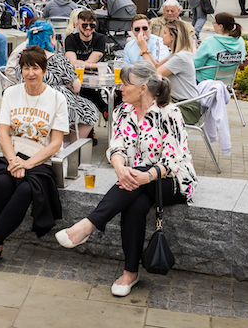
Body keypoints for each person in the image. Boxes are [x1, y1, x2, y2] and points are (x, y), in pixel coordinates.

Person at [55, 62, 195, 297]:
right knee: (135, 204)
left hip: (171, 181)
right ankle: (130, 273)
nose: (120, 87)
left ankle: (89, 225)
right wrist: (120, 168)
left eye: (125, 83)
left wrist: (145, 176)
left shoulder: (169, 113)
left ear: (142, 88)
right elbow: (116, 146)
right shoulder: (123, 111)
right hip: (134, 182)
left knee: (135, 189)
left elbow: (173, 162)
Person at [0, 46, 68, 273]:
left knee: (25, 190)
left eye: (35, 68)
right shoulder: (11, 93)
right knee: (2, 183)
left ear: (44, 69)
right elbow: (3, 133)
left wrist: (28, 164)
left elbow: (55, 143)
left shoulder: (57, 98)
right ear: (20, 70)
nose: (31, 73)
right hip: (12, 157)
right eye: (26, 68)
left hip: (40, 161)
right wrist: (13, 161)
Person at [7, 20, 98, 143]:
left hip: (26, 102)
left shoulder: (21, 57)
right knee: (89, 110)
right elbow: (76, 88)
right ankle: (72, 145)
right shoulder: (57, 59)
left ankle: (59, 141)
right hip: (54, 104)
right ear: (50, 38)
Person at [142, 20, 200, 125]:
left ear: (172, 36)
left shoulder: (180, 57)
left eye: (164, 32)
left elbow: (154, 74)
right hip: (178, 102)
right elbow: (156, 66)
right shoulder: (176, 54)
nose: (162, 35)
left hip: (186, 108)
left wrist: (143, 49)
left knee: (144, 108)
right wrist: (145, 50)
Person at [64, 10, 109, 115]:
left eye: (91, 25)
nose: (88, 28)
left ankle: (90, 127)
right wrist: (95, 66)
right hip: (75, 76)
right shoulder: (70, 39)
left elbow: (87, 62)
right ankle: (104, 108)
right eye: (84, 25)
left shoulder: (100, 38)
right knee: (83, 87)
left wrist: (80, 63)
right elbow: (72, 63)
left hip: (94, 76)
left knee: (86, 87)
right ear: (77, 25)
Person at [193, 13, 246, 82]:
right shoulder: (240, 41)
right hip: (227, 82)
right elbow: (242, 59)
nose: (213, 24)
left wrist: (193, 49)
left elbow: (195, 64)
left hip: (205, 82)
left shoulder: (209, 42)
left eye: (214, 23)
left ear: (220, 26)